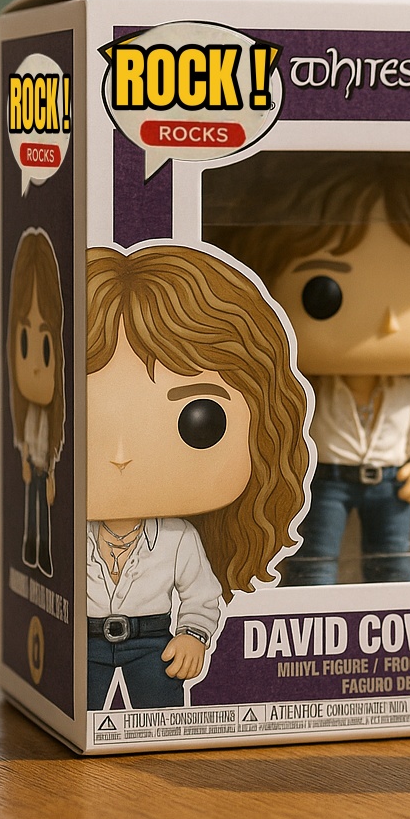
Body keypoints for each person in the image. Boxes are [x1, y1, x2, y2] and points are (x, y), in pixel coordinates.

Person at [210, 153, 410, 584]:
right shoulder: (312, 390)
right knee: (314, 557)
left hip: (391, 481)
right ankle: (311, 608)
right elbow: (286, 429)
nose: (390, 323)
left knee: (392, 557)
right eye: (323, 293)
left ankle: (397, 608)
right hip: (325, 479)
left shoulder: (405, 391)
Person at [85, 244, 313, 709]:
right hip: (82, 643)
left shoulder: (178, 538)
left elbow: (200, 594)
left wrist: (193, 634)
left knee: (161, 713)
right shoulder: (71, 536)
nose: (122, 456)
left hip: (153, 640)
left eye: (200, 421)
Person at [7, 228, 65, 578]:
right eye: (24, 344)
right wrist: (26, 458)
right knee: (31, 509)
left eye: (45, 348)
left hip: (45, 468)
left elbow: (51, 441)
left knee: (44, 510)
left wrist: (52, 472)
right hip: (33, 463)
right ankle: (31, 547)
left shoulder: (50, 415)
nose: (33, 367)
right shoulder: (29, 411)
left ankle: (43, 551)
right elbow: (27, 435)